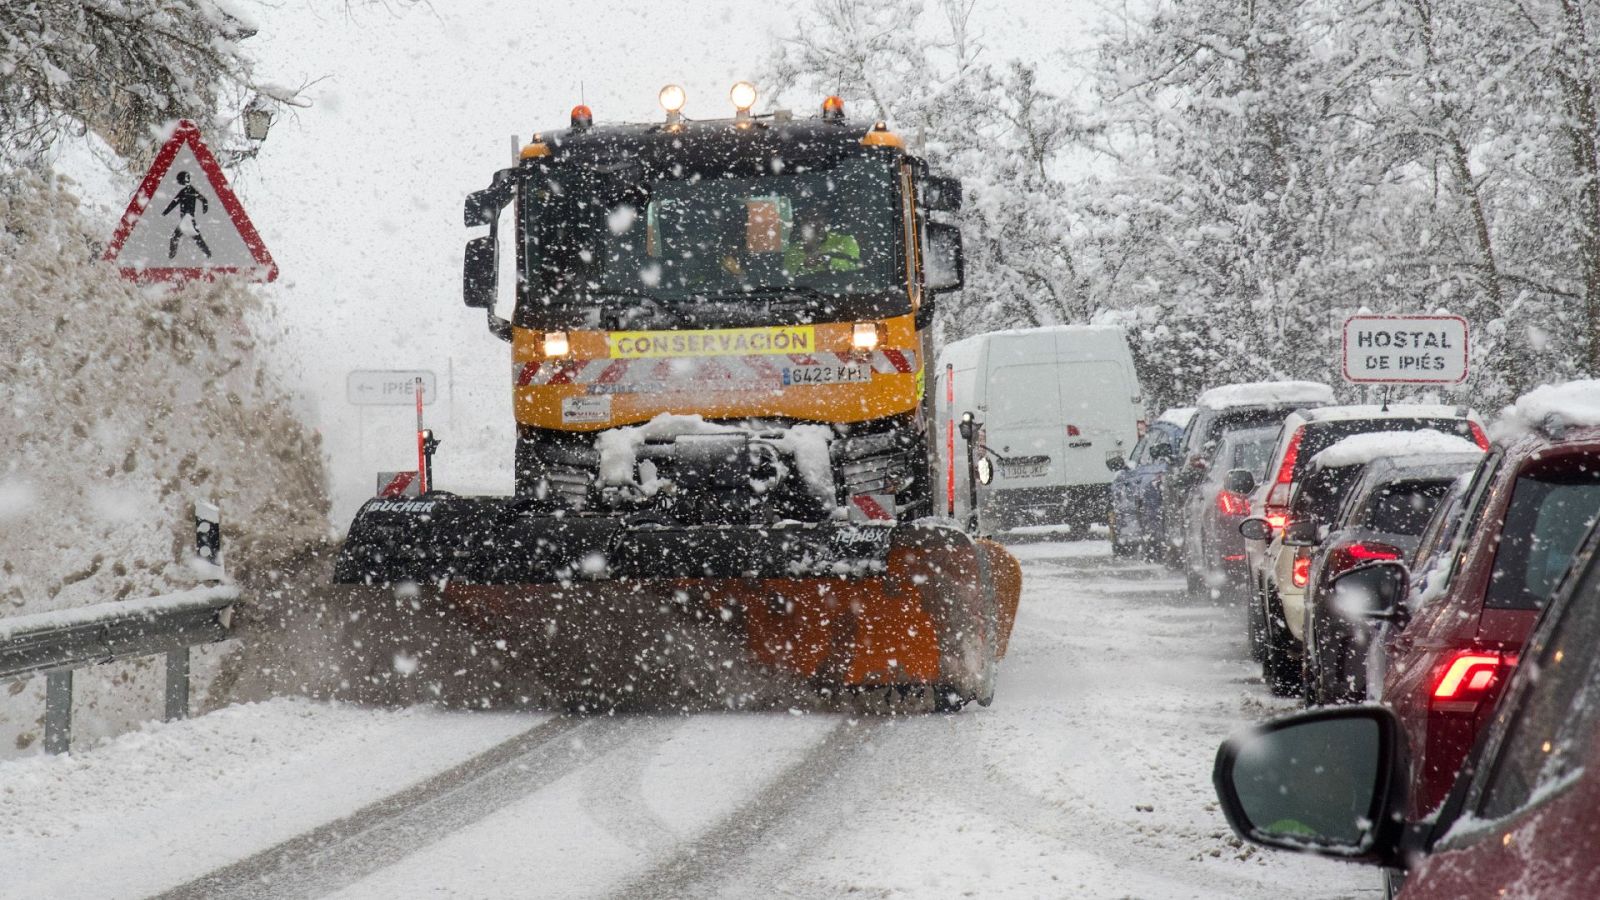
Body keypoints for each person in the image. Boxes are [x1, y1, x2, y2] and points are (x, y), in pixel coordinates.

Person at [783, 207, 860, 276]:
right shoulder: (793, 251)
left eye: (816, 219)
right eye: (807, 220)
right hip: (804, 291)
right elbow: (790, 278)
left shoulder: (845, 241)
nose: (812, 224)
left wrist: (828, 260)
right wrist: (805, 264)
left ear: (825, 221)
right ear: (801, 224)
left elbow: (855, 267)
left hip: (842, 289)